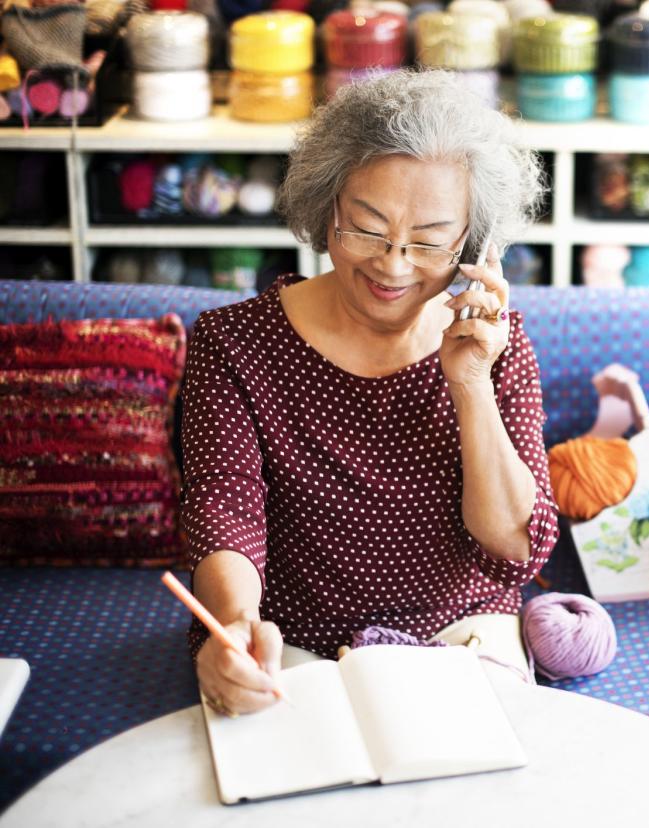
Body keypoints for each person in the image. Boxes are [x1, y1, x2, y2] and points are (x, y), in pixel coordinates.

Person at [182, 70, 558, 717]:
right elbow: (225, 512)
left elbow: (515, 546)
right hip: (288, 640)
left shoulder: (496, 345)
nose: (392, 264)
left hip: (458, 630)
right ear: (325, 207)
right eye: (366, 228)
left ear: (472, 245)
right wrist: (236, 627)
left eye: (429, 242)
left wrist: (468, 382)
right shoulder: (234, 343)